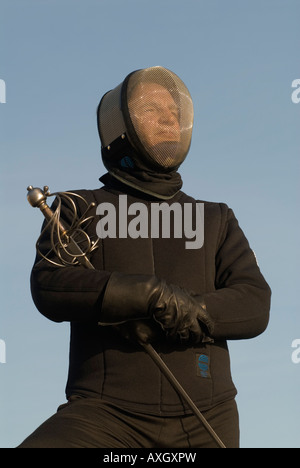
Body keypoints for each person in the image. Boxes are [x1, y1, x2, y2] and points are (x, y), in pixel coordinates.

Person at [18, 66, 271, 448]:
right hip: (103, 417)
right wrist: (145, 296)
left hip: (206, 419)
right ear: (119, 125)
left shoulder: (215, 217)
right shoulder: (80, 207)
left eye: (174, 110)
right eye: (152, 109)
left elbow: (255, 302)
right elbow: (51, 283)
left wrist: (184, 310)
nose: (170, 116)